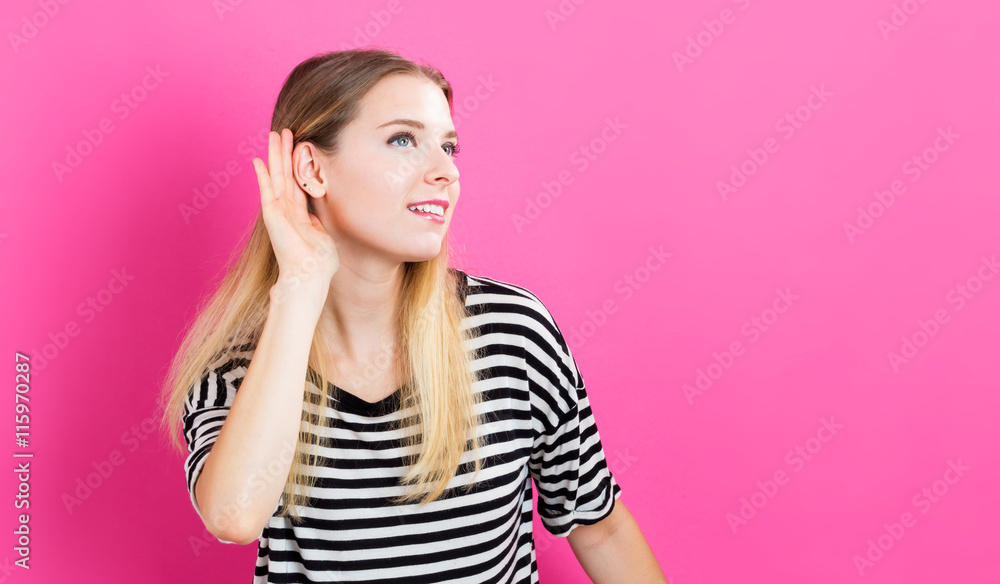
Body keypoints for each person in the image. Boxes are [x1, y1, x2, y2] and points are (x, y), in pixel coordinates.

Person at [159, 48, 666, 583]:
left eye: (449, 146)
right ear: (311, 168)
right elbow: (234, 516)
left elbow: (599, 527)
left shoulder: (513, 335)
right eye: (404, 140)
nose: (446, 171)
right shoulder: (241, 370)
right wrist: (302, 285)